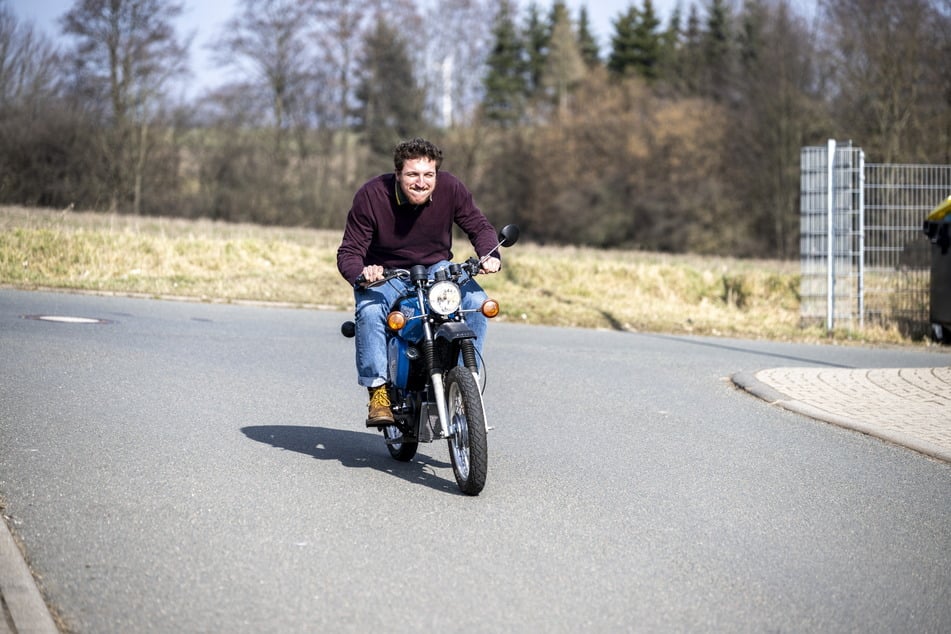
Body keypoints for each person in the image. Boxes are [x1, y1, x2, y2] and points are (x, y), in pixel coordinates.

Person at [337, 138, 502, 426]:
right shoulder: (372, 195)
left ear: (437, 174)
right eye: (412, 175)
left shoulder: (451, 188)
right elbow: (349, 252)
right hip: (388, 273)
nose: (421, 183)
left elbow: (478, 226)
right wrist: (363, 273)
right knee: (370, 311)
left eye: (429, 175)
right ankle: (378, 392)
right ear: (398, 174)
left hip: (436, 267)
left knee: (476, 302)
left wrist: (489, 255)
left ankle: (466, 387)